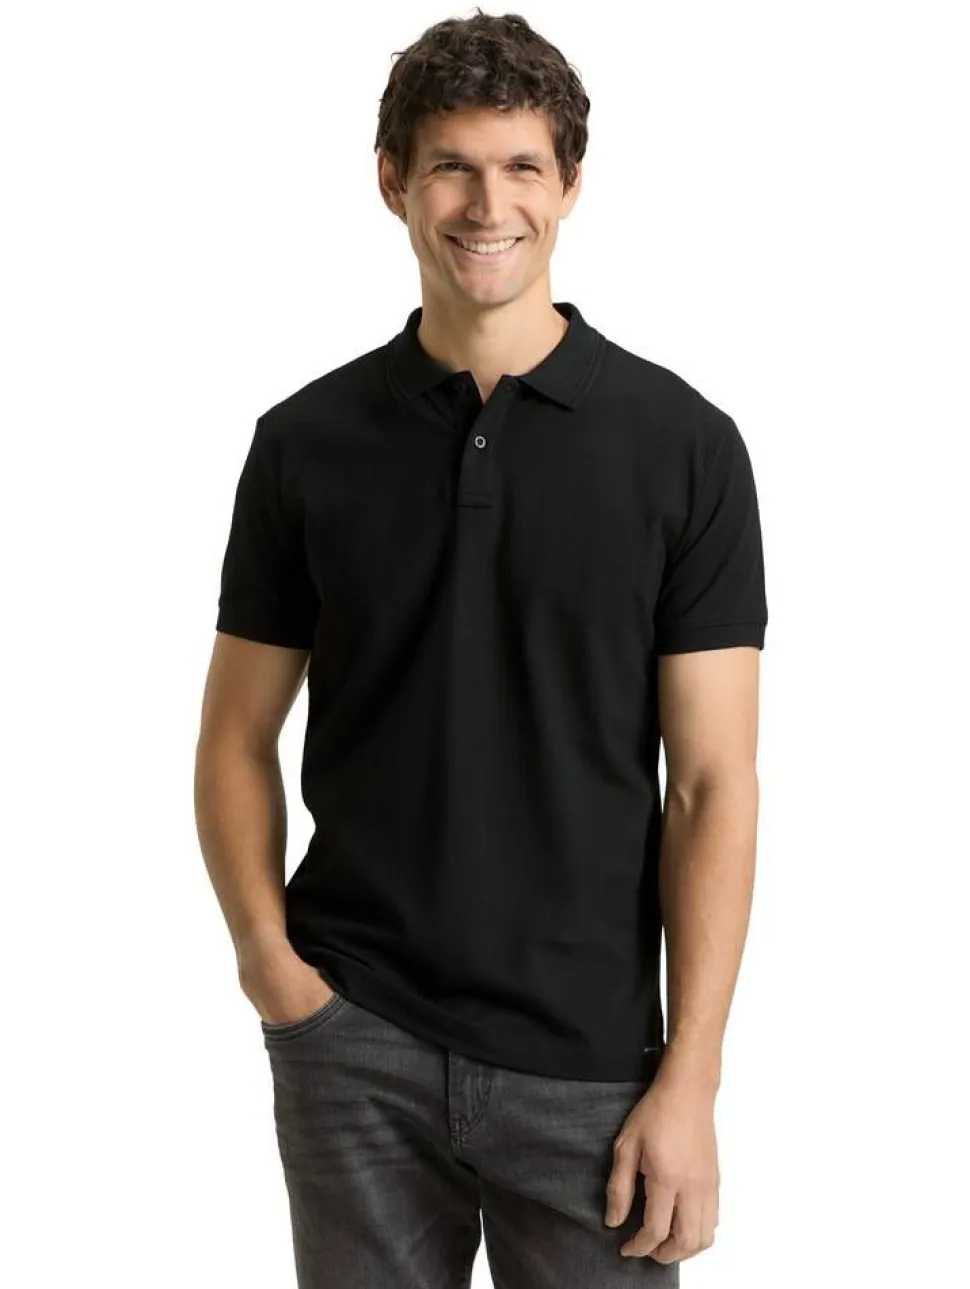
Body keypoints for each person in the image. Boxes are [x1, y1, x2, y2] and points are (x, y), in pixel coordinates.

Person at [194, 9, 767, 1287]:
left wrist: (691, 1075)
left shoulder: (684, 447)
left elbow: (711, 784)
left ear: (569, 185)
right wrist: (273, 972)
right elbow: (234, 735)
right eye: (450, 164)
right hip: (352, 1037)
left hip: (593, 1067)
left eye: (520, 166)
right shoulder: (304, 443)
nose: (486, 203)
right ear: (392, 180)